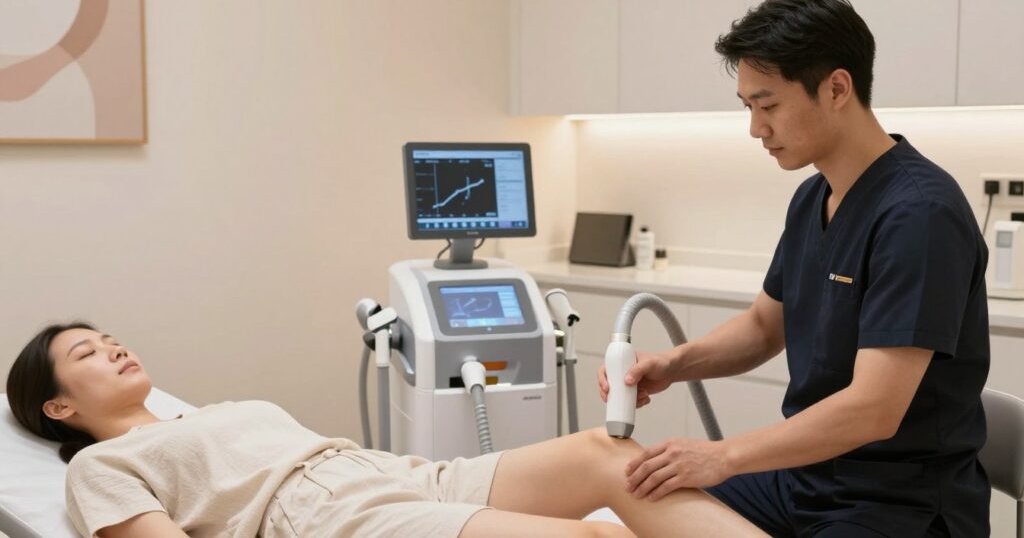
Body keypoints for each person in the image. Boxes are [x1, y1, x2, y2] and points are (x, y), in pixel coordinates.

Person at [599, 0, 990, 538]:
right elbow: (764, 327)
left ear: (836, 88)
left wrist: (725, 455)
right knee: (627, 503)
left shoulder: (919, 215)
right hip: (805, 482)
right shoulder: (814, 197)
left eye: (768, 105)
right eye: (749, 108)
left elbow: (874, 409)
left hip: (898, 504)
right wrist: (672, 365)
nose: (756, 128)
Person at [6, 322, 768, 538]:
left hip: (390, 474)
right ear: (58, 408)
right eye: (85, 353)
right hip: (325, 517)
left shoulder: (203, 414)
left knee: (613, 454)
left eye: (108, 336)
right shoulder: (98, 468)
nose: (110, 346)